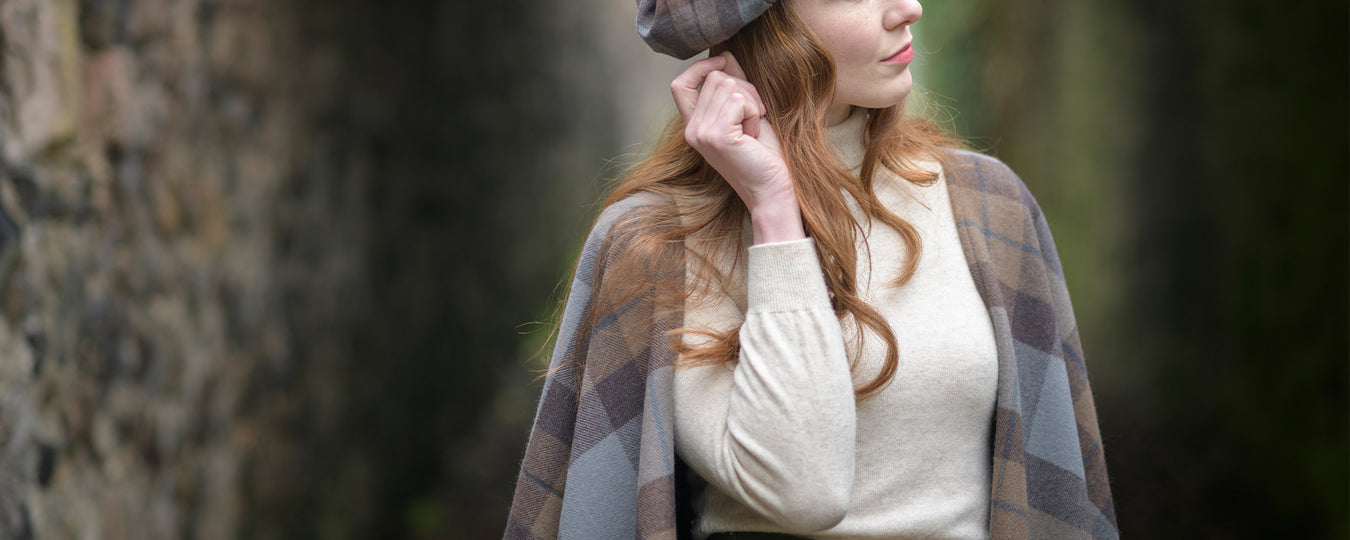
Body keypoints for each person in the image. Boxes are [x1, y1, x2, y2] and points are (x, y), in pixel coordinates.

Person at [506, 0, 1117, 538]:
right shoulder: (660, 247)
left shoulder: (989, 208)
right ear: (768, 27)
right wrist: (774, 211)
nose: (908, 7)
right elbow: (805, 491)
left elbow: (1058, 497)